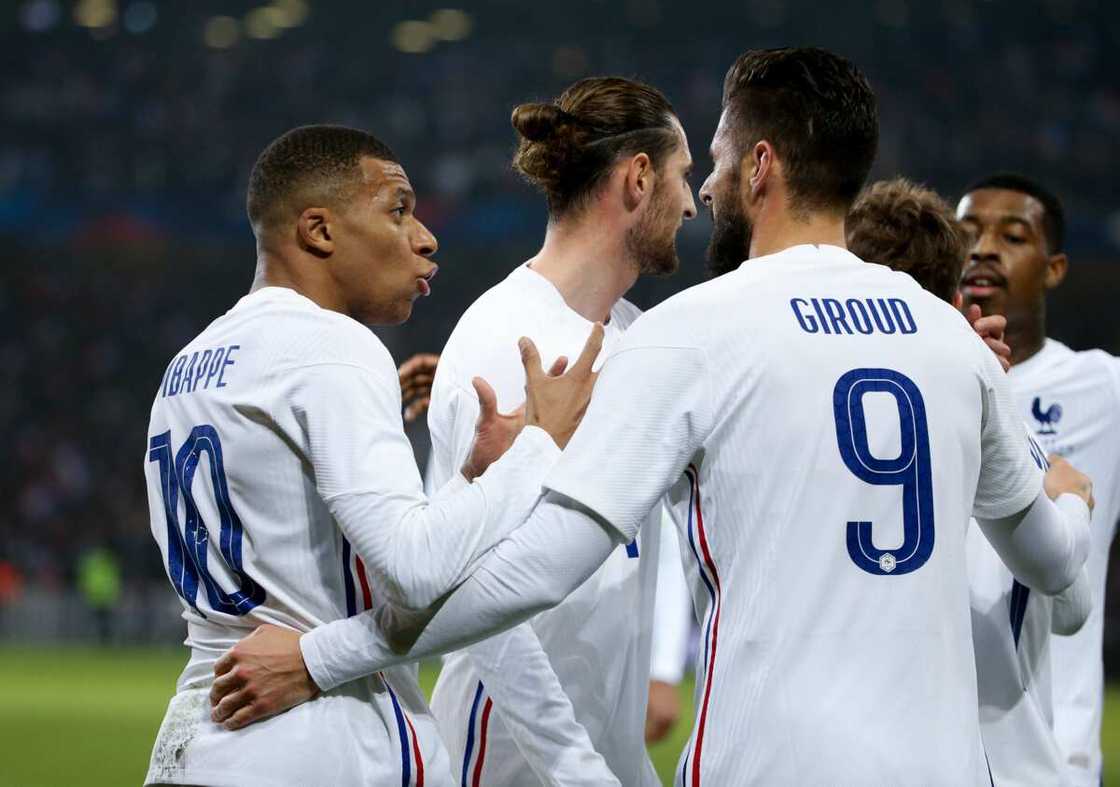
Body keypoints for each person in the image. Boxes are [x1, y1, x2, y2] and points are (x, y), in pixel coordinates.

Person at [211, 49, 1091, 785]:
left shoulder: (688, 335)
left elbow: (540, 570)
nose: (703, 189)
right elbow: (1061, 576)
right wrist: (1076, 497)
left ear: (761, 166)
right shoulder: (953, 342)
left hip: (764, 760)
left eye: (713, 160)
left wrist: (325, 655)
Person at [142, 124, 599, 787]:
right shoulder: (331, 344)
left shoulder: (186, 366)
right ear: (320, 231)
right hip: (319, 738)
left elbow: (320, 556)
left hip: (199, 734)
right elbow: (413, 573)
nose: (425, 236)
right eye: (399, 209)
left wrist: (473, 478)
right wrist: (539, 445)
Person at [423, 76, 694, 787]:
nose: (694, 202)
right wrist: (575, 767)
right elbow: (471, 595)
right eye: (683, 175)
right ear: (638, 178)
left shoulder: (638, 338)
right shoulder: (503, 338)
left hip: (604, 752)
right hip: (505, 757)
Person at [848, 177, 1093, 786]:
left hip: (854, 748)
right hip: (1001, 759)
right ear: (949, 291)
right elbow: (1069, 598)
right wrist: (1070, 500)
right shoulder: (988, 415)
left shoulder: (808, 417)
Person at [958, 173, 1120, 785]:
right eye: (967, 232)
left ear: (1054, 269)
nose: (983, 248)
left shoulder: (1101, 386)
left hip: (1057, 747)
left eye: (1012, 234)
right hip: (933, 737)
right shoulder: (921, 381)